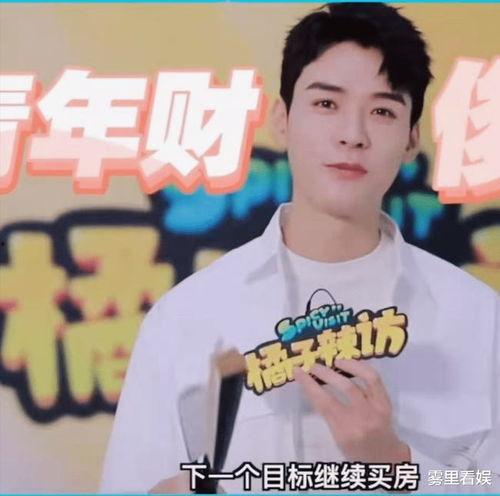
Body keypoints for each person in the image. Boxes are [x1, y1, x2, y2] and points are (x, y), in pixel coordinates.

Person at [101, 3, 500, 493]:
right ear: (282, 119)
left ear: (411, 139)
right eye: (327, 104)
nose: (352, 135)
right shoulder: (186, 317)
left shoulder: (478, 318)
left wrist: (396, 464)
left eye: (382, 111)